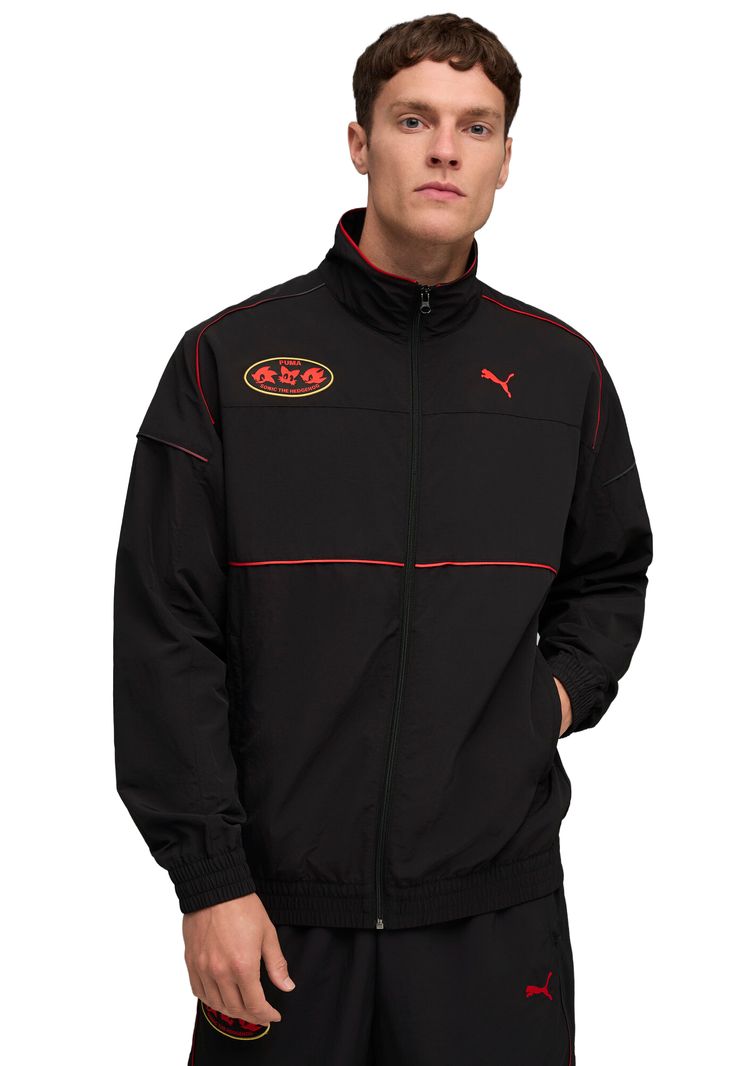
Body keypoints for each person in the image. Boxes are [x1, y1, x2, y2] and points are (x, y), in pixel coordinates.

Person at [113, 13, 653, 1065]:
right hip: (278, 917)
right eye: (413, 120)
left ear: (504, 159)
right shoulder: (229, 360)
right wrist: (209, 880)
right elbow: (165, 633)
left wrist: (551, 699)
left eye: (475, 127)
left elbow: (609, 573)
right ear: (360, 144)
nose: (445, 149)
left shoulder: (562, 375)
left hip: (493, 917)